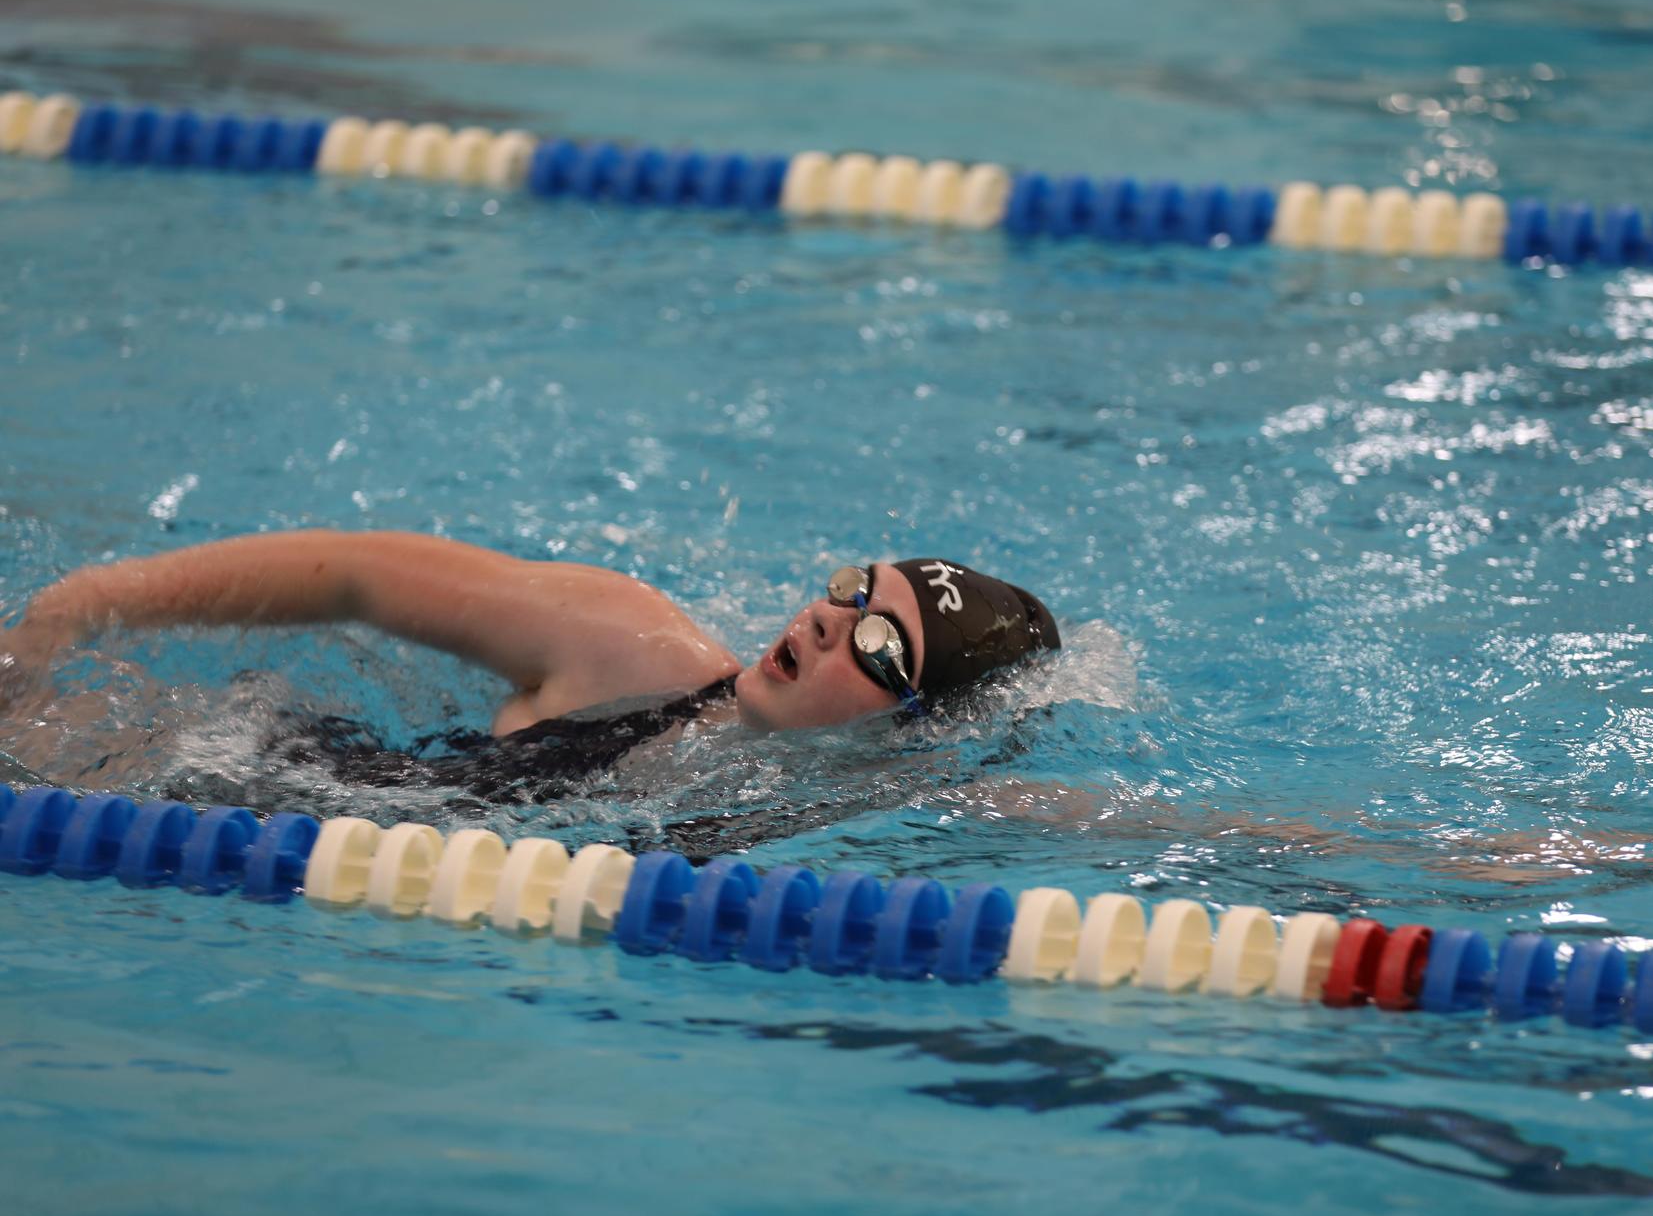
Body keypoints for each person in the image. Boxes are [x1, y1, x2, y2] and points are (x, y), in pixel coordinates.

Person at [0, 530, 1061, 802]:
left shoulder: (875, 800)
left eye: (879, 649)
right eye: (848, 589)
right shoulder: (633, 648)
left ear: (914, 725)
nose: (832, 624)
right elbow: (357, 578)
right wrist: (88, 601)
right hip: (217, 773)